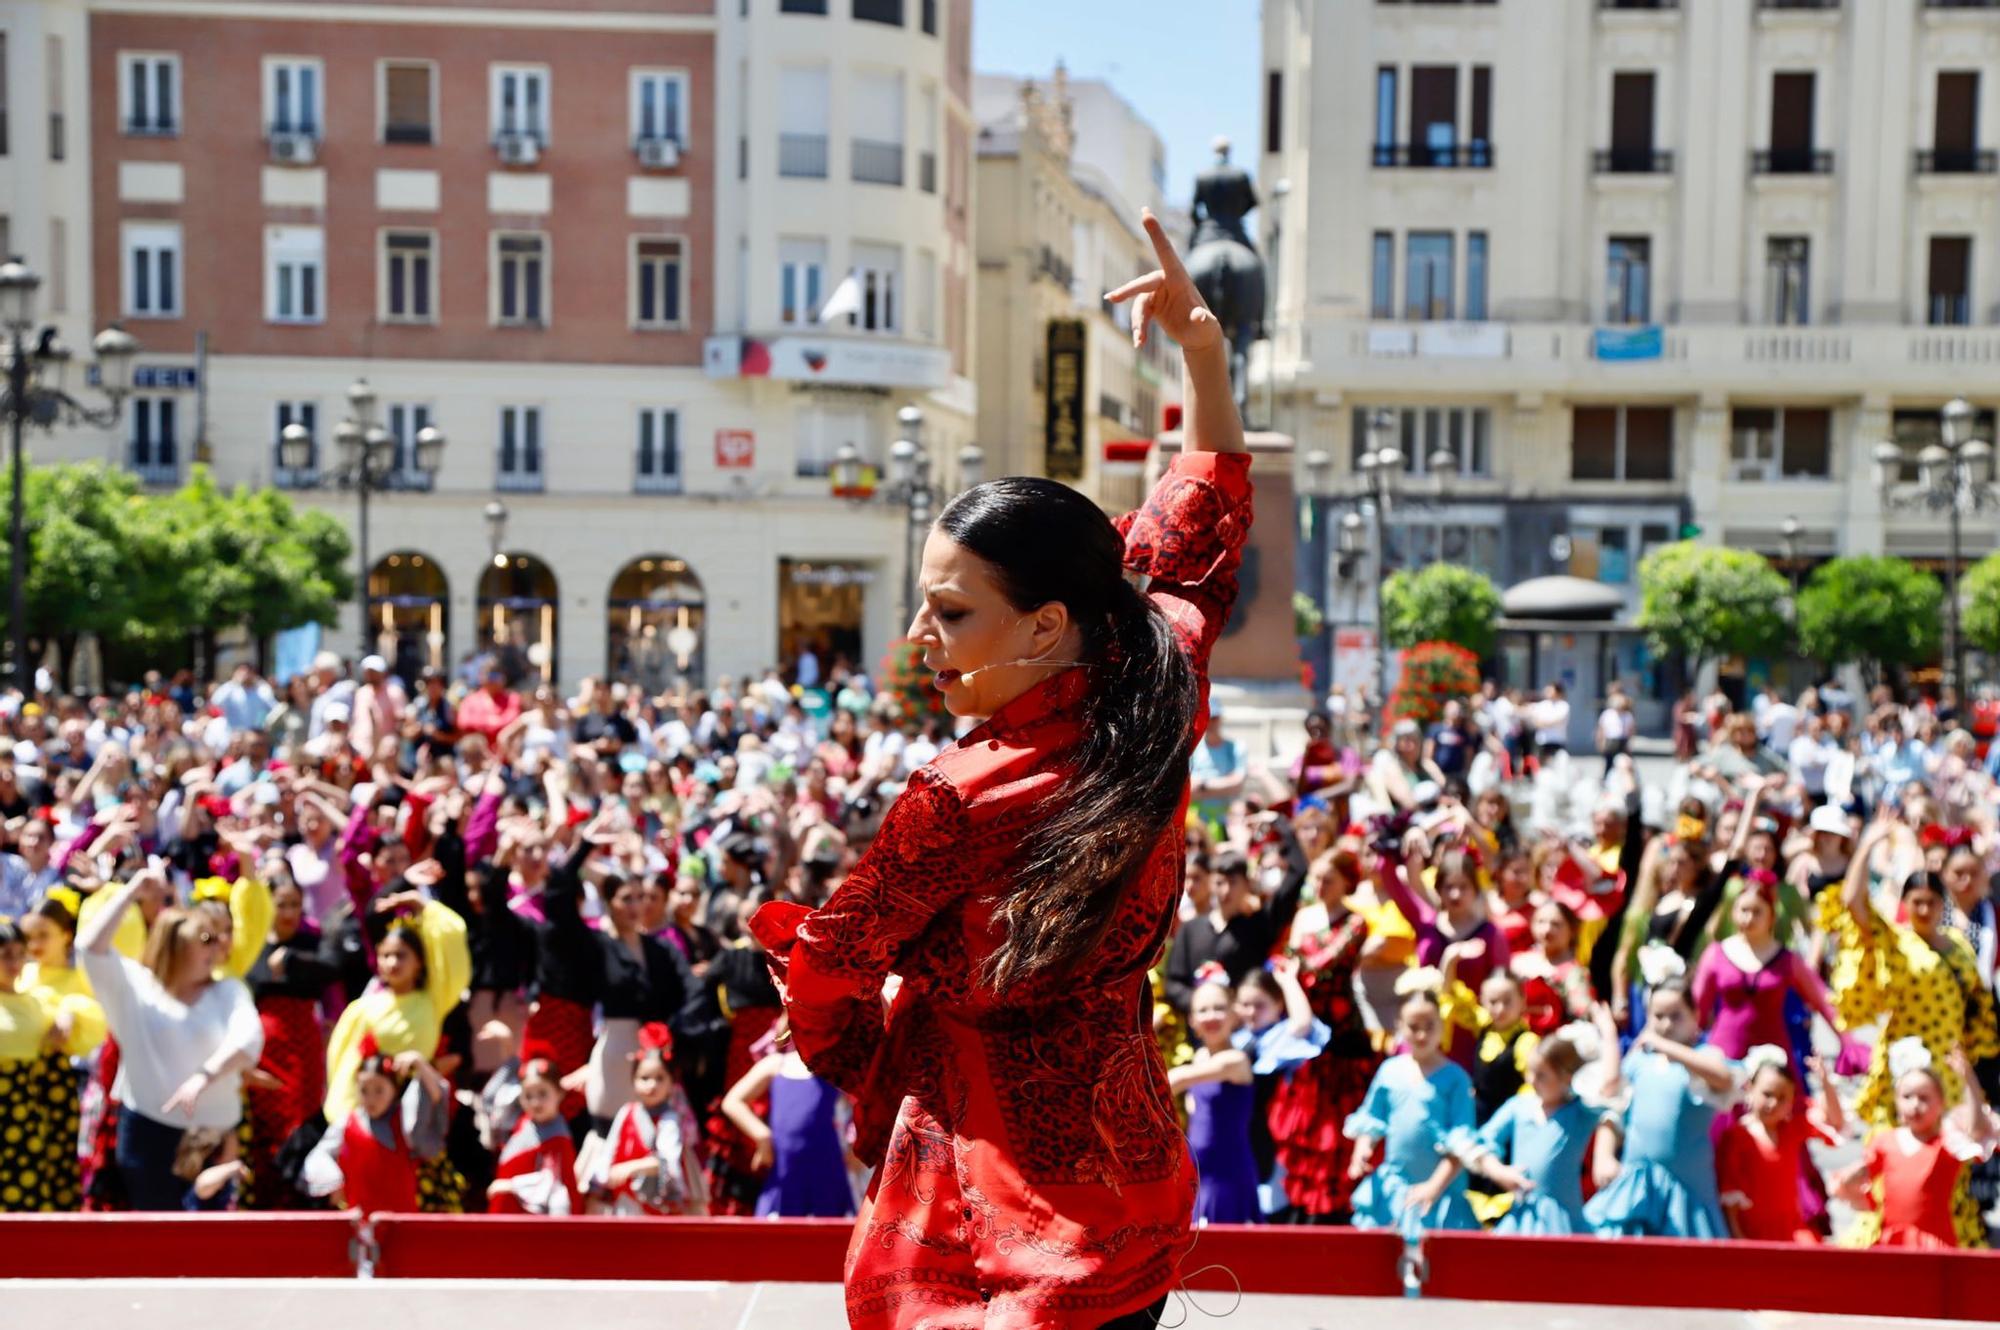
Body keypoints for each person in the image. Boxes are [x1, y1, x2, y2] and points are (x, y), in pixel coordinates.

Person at [747, 209, 1249, 1330]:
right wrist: (1201, 349)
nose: (920, 636)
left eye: (950, 610)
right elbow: (1202, 499)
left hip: (978, 1223)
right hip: (1131, 1189)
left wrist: (881, 1058)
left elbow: (827, 966)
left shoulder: (958, 796)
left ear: (1041, 627)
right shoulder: (1158, 671)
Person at [77, 865, 266, 1210]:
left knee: (211, 1241)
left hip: (212, 1136)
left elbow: (248, 1038)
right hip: (148, 1133)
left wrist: (203, 1076)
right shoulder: (135, 988)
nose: (217, 949)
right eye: (204, 941)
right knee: (156, 1236)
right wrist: (131, 891)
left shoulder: (228, 991)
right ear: (175, 946)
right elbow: (89, 949)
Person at [1584, 978, 1736, 1239]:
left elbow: (1724, 1078)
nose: (1666, 1025)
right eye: (1658, 1016)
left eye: (1676, 1016)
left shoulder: (1704, 1058)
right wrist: (1604, 1154)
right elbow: (1614, 1111)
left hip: (1687, 1189)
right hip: (1637, 1187)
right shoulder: (1638, 1063)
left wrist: (1665, 1046)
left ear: (1695, 1016)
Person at [1343, 977, 1481, 1235]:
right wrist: (1362, 1149)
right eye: (1413, 1026)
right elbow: (1372, 1118)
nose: (1421, 1034)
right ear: (1399, 1026)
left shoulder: (1456, 1078)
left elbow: (1462, 1141)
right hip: (1395, 1190)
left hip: (1439, 1194)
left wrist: (1433, 1187)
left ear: (1442, 1024)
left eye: (1429, 1026)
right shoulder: (1390, 1071)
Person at [1835, 1041, 1999, 1249]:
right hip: (1893, 1242)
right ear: (1896, 1101)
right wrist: (1852, 1178)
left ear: (1941, 1104)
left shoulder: (1949, 1142)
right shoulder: (1886, 1141)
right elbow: (1858, 1180)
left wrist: (1968, 1080)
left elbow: (1977, 1131)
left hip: (1934, 1244)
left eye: (1924, 1098)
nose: (1915, 1105)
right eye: (1907, 1097)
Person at [1459, 1027, 1597, 1234]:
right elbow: (1481, 1141)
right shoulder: (1519, 1106)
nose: (1532, 1080)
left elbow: (1611, 1090)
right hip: (1522, 1217)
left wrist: (1606, 1030)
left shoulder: (1579, 1112)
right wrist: (1499, 1171)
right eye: (1530, 1071)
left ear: (1566, 1078)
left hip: (1562, 1221)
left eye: (1541, 1075)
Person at [301, 1033, 449, 1214]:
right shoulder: (346, 1123)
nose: (371, 1099)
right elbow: (320, 1155)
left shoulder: (405, 1121)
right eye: (364, 1090)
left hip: (402, 1219)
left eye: (379, 1090)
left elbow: (436, 1096)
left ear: (394, 1090)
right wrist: (333, 1183)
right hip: (359, 1220)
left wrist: (420, 1063)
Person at [1716, 1046, 1845, 1243]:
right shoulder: (1737, 1136)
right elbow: (1730, 1195)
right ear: (1750, 1088)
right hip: (1754, 1233)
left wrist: (1825, 1083)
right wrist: (1738, 1239)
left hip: (1791, 1231)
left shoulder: (1791, 1129)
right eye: (1767, 1094)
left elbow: (1834, 1122)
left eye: (1783, 1098)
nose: (1773, 1103)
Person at [587, 1022, 709, 1216]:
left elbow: (669, 1161)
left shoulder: (670, 1119)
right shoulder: (626, 1112)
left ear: (671, 1083)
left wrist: (632, 1167)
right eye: (644, 1078)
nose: (652, 1085)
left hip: (659, 1204)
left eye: (660, 1078)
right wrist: (598, 1186)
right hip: (626, 1199)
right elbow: (609, 1152)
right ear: (633, 1080)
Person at [721, 1042, 854, 1219]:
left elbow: (867, 1104)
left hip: (826, 1174)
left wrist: (857, 1145)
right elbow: (732, 1102)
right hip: (785, 1175)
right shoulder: (777, 1064)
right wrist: (762, 1135)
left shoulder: (839, 1065)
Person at [1168, 979, 1258, 1224]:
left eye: (1219, 1008)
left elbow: (1177, 1079)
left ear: (1234, 1014)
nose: (1211, 1016)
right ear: (1192, 1020)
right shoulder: (1200, 1057)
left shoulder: (1236, 1060)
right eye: (1203, 1010)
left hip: (1227, 1174)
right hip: (1198, 1173)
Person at [487, 1052, 582, 1215]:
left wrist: (512, 1186)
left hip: (532, 1220)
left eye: (543, 1094)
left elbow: (554, 1184)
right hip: (510, 1211)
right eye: (528, 1096)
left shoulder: (558, 1137)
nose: (535, 1102)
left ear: (559, 1093)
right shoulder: (524, 1122)